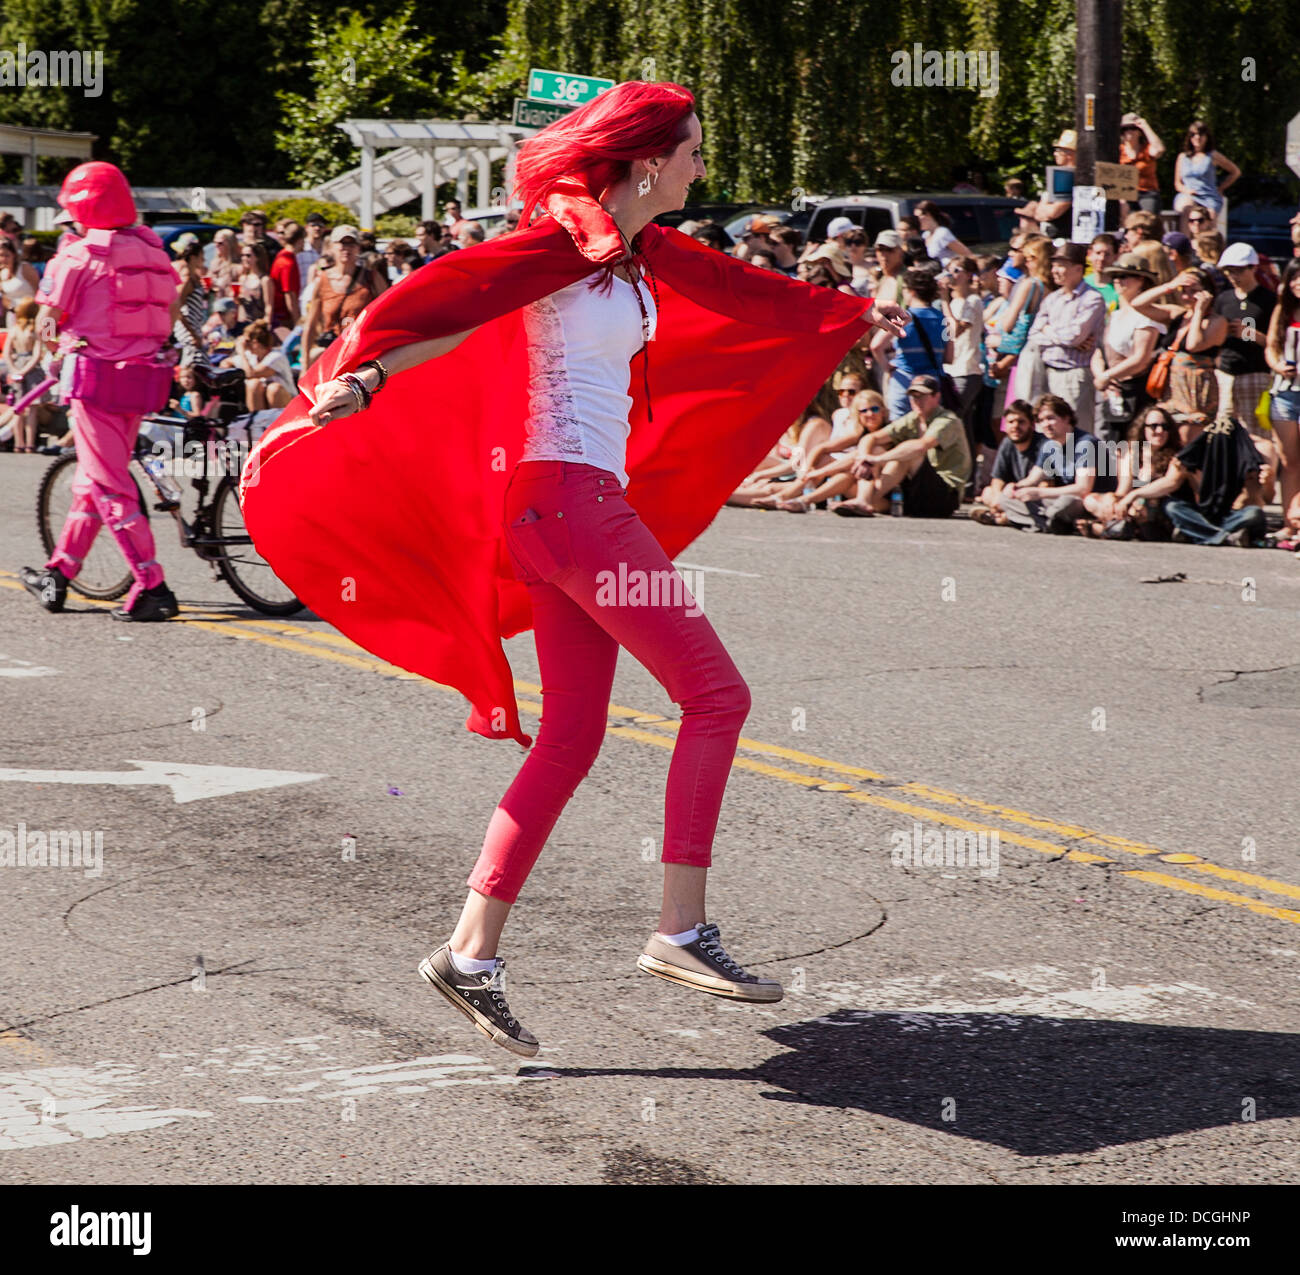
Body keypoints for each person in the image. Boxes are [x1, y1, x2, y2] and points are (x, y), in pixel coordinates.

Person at [237, 80, 908, 1056]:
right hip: (569, 506)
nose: (701, 167)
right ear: (645, 160)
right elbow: (461, 298)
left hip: (570, 512)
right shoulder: (566, 236)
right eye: (691, 151)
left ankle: (469, 953)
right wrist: (372, 374)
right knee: (716, 698)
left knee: (573, 738)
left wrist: (843, 317)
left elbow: (740, 293)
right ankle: (681, 929)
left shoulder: (639, 252)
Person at [19, 161, 181, 621]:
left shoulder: (76, 255)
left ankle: (153, 585)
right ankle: (60, 573)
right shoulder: (153, 251)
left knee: (110, 487)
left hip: (96, 382)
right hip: (144, 381)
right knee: (92, 483)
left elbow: (47, 322)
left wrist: (58, 352)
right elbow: (167, 310)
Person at [832, 373, 971, 517]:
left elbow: (920, 446)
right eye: (913, 396)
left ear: (936, 397)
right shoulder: (913, 418)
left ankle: (864, 501)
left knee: (906, 453)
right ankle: (861, 501)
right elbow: (872, 437)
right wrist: (864, 457)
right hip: (915, 492)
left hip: (944, 496)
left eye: (922, 396)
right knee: (875, 450)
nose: (917, 401)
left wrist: (877, 460)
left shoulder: (948, 420)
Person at [1138, 417, 1265, 546]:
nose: (1159, 431)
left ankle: (1201, 533)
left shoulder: (1181, 453)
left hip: (1218, 514)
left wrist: (1263, 482)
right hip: (1188, 514)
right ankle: (1224, 536)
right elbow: (1131, 486)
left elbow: (1259, 499)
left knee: (1254, 513)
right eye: (1154, 426)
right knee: (1172, 507)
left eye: (1165, 427)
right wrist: (1133, 498)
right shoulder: (1133, 452)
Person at [1212, 242, 1277, 495]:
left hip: (1256, 373)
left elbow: (1275, 341)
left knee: (1258, 434)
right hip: (1225, 372)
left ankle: (1263, 489)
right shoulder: (1223, 299)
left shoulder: (1268, 300)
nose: (1233, 276)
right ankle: (1231, 486)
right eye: (1229, 272)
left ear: (1252, 268)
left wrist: (1251, 334)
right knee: (1223, 429)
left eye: (1238, 270)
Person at [1023, 241, 1106, 433]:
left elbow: (1074, 337)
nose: (1055, 270)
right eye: (1054, 265)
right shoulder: (1052, 299)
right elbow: (1034, 334)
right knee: (1049, 434)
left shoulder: (1092, 299)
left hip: (1075, 375)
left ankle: (1084, 465)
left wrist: (1048, 330)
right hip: (1047, 374)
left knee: (1077, 433)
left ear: (1078, 269)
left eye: (1061, 265)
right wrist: (1059, 335)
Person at [995, 394, 1109, 533]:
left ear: (1066, 418)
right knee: (1007, 499)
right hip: (1059, 500)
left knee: (1065, 503)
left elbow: (1083, 489)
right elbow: (1033, 478)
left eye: (1050, 418)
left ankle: (1040, 522)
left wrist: (1039, 492)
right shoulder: (1049, 445)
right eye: (1041, 420)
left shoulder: (1085, 443)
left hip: (1088, 500)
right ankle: (1055, 524)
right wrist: (1015, 487)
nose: (1045, 424)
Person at [1094, 252, 1166, 443]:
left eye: (1124, 276)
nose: (1117, 281)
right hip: (1112, 391)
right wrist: (1101, 376)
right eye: (1115, 276)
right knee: (1109, 448)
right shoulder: (1114, 314)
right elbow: (1099, 351)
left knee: (1134, 447)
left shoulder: (1149, 316)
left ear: (1141, 280)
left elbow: (1140, 358)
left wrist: (1108, 376)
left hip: (1137, 391)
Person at [300, 225, 388, 369]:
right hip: (331, 352)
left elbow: (386, 314)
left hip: (361, 353)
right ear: (332, 247)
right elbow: (310, 324)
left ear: (358, 248)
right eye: (342, 243)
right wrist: (305, 364)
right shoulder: (323, 279)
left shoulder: (371, 278)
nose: (346, 248)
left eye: (351, 244)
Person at [872, 267, 950, 419]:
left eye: (904, 289)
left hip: (904, 382)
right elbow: (948, 357)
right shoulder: (944, 319)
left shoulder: (904, 317)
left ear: (912, 291)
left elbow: (876, 346)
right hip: (932, 385)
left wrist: (887, 368)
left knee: (899, 431)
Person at [1264, 258, 1300, 541]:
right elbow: (1271, 346)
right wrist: (1277, 365)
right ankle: (1289, 522)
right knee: (1289, 462)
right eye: (1294, 278)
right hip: (1285, 391)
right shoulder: (1282, 309)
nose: (1298, 284)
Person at [971, 399, 1047, 525]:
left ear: (1032, 425)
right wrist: (997, 497)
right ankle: (1007, 515)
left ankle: (1003, 517)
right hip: (1012, 494)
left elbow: (1046, 485)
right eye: (1011, 422)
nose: (1015, 426)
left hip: (1033, 495)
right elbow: (997, 479)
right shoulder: (1007, 442)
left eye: (1021, 422)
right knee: (988, 492)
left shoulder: (1044, 445)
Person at [1174, 121, 1239, 235]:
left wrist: (1221, 188)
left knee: (1209, 223)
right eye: (1193, 134)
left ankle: (1208, 248)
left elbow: (1235, 172)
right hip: (1189, 194)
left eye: (1201, 134)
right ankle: (1185, 247)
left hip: (1208, 196)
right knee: (1187, 210)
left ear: (1206, 137)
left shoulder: (1212, 155)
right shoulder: (1182, 157)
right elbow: (1177, 183)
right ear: (1189, 137)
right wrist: (1187, 190)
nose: (1197, 137)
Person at [3, 297, 47, 451]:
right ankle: (29, 443)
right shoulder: (36, 329)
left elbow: (7, 352)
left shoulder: (15, 329)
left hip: (17, 365)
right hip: (32, 369)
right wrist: (24, 370)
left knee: (18, 408)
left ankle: (18, 443)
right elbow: (37, 354)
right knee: (32, 409)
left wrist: (14, 369)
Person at [1118, 113, 1165, 215]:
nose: (1128, 131)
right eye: (1125, 129)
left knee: (1147, 219)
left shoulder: (1147, 149)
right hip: (1124, 194)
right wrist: (1121, 198)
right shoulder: (1119, 151)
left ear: (1139, 131)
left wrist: (1145, 126)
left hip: (1147, 193)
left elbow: (1159, 150)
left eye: (1132, 128)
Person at [0, 235, 40, 329]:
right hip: (13, 316)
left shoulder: (25, 268)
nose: (4, 259)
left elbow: (39, 291)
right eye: (1, 255)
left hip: (31, 316)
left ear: (14, 255)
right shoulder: (2, 273)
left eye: (7, 255)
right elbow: (5, 298)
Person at [915, 200, 971, 265]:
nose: (916, 220)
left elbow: (967, 254)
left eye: (918, 217)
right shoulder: (925, 235)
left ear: (928, 215)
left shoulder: (942, 233)